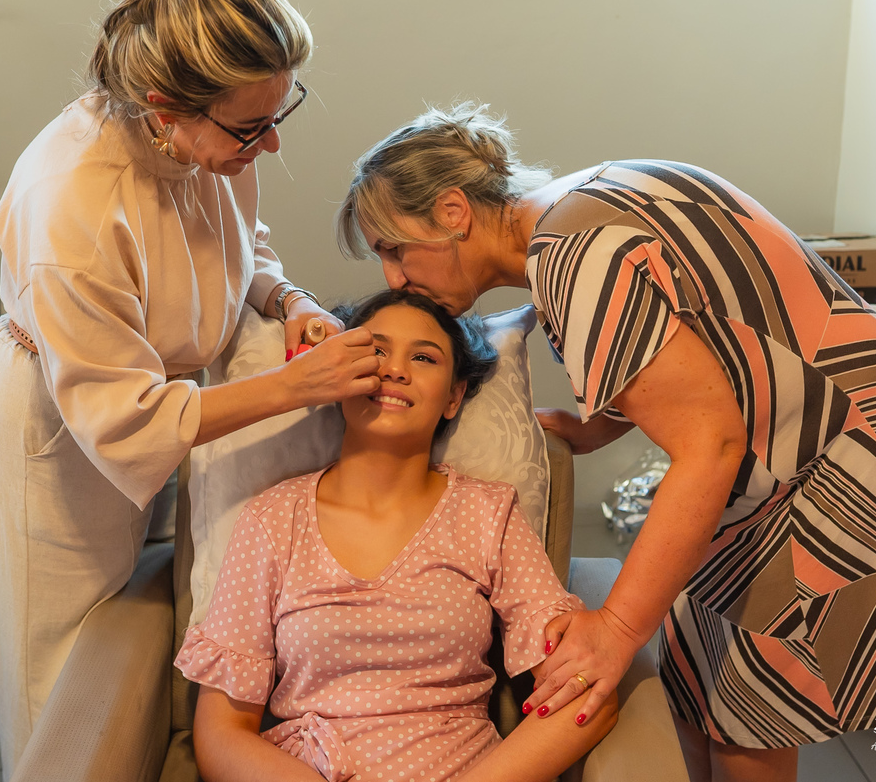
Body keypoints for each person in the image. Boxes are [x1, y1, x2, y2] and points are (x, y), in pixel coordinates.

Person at [334, 104, 876, 782]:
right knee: (698, 681)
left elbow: (712, 442)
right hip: (808, 436)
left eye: (393, 247)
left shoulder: (570, 257)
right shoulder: (577, 204)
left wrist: (616, 629)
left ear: (454, 211)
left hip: (840, 447)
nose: (393, 276)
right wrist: (595, 427)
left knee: (753, 715)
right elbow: (700, 345)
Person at [0, 0, 381, 773]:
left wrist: (288, 300)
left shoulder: (205, 139)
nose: (271, 146)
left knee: (146, 627)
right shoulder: (72, 204)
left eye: (280, 115)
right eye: (253, 127)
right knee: (62, 684)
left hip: (156, 393)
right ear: (164, 106)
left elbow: (238, 239)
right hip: (51, 432)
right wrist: (302, 384)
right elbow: (131, 421)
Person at [176, 290, 619, 782]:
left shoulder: (487, 513)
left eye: (424, 357)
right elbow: (221, 734)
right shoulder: (272, 520)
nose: (395, 370)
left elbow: (583, 691)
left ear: (453, 396)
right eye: (376, 351)